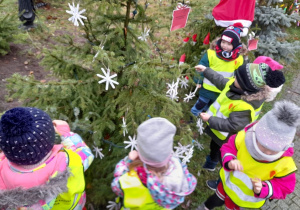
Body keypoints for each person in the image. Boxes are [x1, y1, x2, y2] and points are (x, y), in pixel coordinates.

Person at [195, 62, 285, 189]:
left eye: (237, 77)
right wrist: (206, 70)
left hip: (226, 138)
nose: (234, 78)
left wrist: (211, 119)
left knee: (226, 159)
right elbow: (221, 81)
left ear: (245, 87)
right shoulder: (235, 85)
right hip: (217, 132)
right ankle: (211, 163)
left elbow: (233, 125)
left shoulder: (245, 106)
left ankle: (221, 183)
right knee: (214, 148)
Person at [198, 100, 300, 210]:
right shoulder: (244, 138)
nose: (267, 152)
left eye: (274, 150)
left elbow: (285, 187)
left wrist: (264, 188)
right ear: (255, 135)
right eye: (263, 146)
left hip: (246, 200)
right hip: (227, 185)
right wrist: (230, 160)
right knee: (214, 200)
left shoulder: (285, 164)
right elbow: (228, 147)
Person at [0, 107, 94, 209]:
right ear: (49, 137)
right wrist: (66, 134)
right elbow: (85, 154)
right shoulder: (65, 161)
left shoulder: (2, 165)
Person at [111, 117, 197, 209]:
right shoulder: (178, 171)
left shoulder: (131, 178)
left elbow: (116, 186)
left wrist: (128, 160)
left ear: (140, 154)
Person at [191, 22, 246, 117]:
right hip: (207, 88)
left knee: (212, 107)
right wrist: (198, 80)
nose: (224, 45)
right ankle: (193, 117)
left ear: (236, 45)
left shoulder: (239, 59)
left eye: (229, 44)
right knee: (200, 104)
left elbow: (239, 75)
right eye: (223, 42)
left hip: (223, 90)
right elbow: (201, 67)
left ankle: (205, 120)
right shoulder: (211, 54)